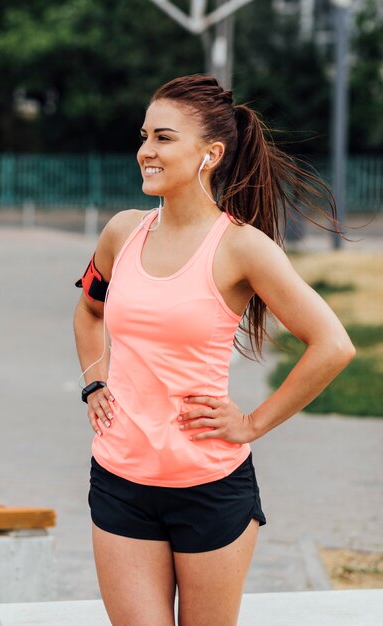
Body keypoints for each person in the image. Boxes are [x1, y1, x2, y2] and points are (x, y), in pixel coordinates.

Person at [73, 74, 355, 626]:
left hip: (210, 488)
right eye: (144, 136)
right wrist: (94, 380)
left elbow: (333, 345)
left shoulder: (242, 247)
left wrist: (252, 423)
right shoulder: (121, 233)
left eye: (163, 137)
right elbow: (89, 309)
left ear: (212, 153)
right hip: (120, 482)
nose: (145, 151)